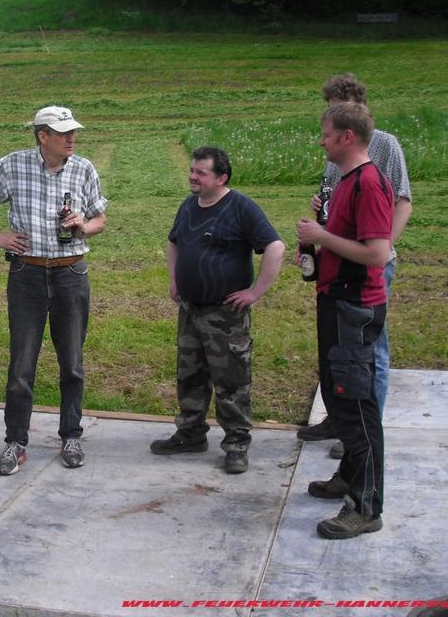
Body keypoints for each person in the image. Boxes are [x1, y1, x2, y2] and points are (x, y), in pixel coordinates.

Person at [0, 105, 107, 475]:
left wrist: (83, 225)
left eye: (73, 131)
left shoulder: (84, 168)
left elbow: (100, 218)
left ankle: (71, 435)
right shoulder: (13, 165)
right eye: (64, 133)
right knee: (21, 365)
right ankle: (16, 442)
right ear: (43, 136)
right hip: (27, 275)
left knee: (72, 363)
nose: (72, 138)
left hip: (70, 274)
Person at [297, 74, 412, 460]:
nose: (324, 123)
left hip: (365, 269)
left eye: (332, 108)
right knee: (338, 357)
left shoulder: (382, 149)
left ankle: (364, 426)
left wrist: (382, 247)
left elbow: (402, 202)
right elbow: (335, 200)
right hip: (338, 268)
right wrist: (321, 213)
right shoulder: (340, 158)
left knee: (367, 352)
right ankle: (339, 418)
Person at [150, 147, 285, 474]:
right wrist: (174, 278)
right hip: (190, 309)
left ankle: (237, 444)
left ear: (221, 177)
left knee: (232, 382)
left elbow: (275, 246)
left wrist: (255, 292)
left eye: (201, 173)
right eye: (192, 170)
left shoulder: (240, 208)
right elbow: (174, 241)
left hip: (225, 315)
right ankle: (191, 434)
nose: (193, 177)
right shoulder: (188, 206)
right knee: (190, 375)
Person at [296, 100, 393, 539]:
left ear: (347, 137)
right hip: (336, 302)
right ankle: (348, 479)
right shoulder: (346, 182)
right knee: (340, 396)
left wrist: (321, 236)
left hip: (355, 308)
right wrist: (317, 242)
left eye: (327, 133)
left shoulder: (369, 184)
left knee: (357, 405)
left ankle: (366, 508)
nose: (322, 140)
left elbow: (377, 253)